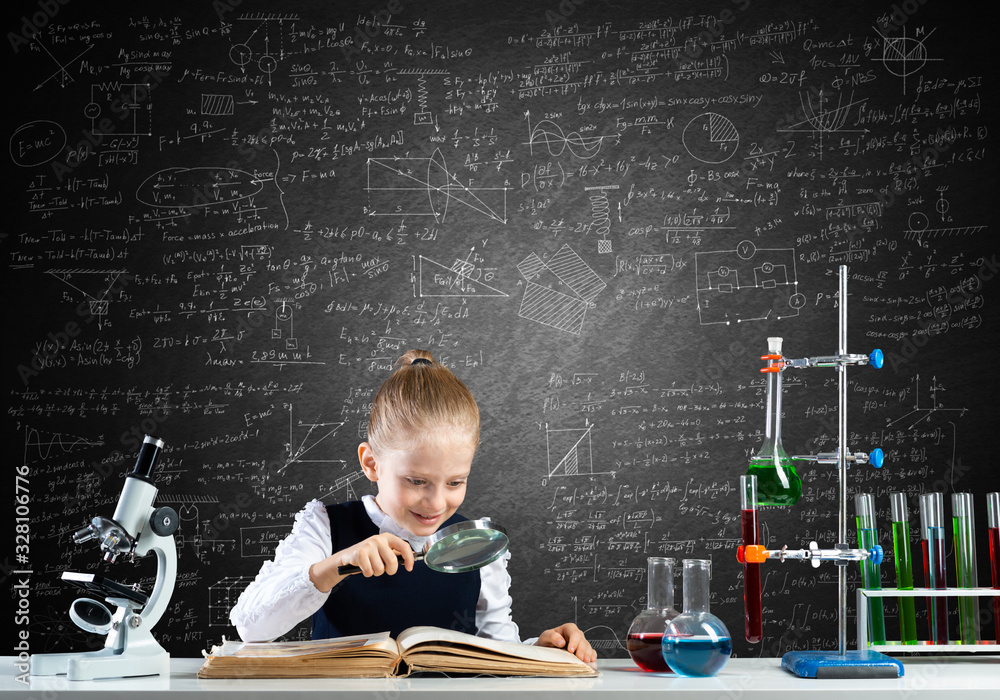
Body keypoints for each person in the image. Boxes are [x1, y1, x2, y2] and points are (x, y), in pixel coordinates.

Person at [230, 349, 596, 664]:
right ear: (371, 463)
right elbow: (251, 626)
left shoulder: (477, 543)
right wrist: (336, 565)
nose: (436, 502)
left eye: (455, 482)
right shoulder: (326, 527)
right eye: (416, 481)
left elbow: (498, 653)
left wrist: (543, 650)